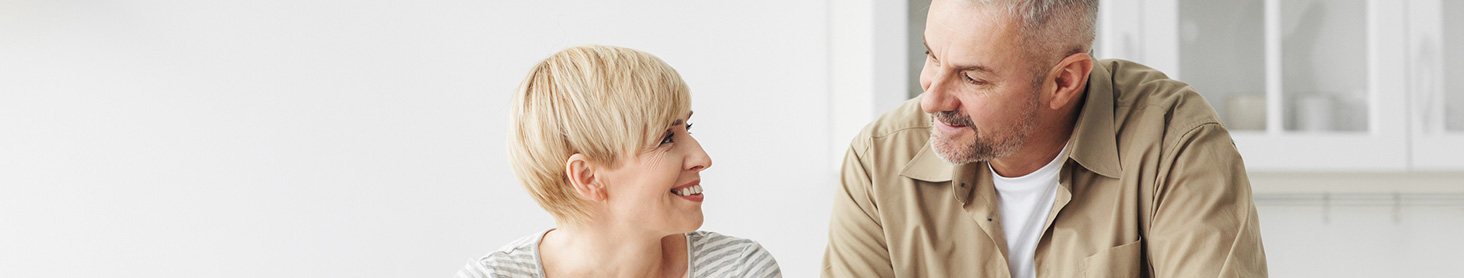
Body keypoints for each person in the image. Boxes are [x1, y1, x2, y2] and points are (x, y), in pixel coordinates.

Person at [821, 0, 1268, 277]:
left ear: (1063, 82)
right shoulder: (877, 163)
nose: (930, 97)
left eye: (972, 77)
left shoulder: (1177, 145)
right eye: (931, 56)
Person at [457, 45, 782, 278]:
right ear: (588, 177)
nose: (702, 158)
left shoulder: (739, 269)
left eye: (687, 127)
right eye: (666, 138)